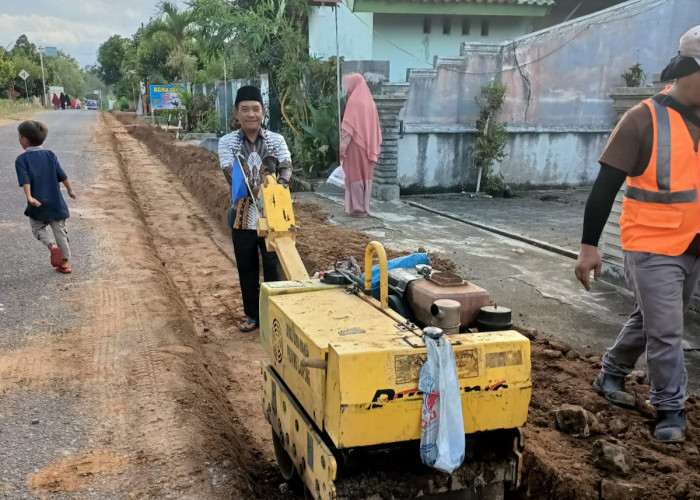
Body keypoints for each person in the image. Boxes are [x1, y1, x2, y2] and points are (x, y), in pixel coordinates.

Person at [574, 25, 700, 444]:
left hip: (692, 245)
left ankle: (611, 372)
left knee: (652, 320)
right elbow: (604, 187)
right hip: (649, 245)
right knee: (667, 330)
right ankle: (670, 410)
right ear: (686, 70)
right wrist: (588, 247)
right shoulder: (641, 119)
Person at [218, 86, 292, 332]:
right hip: (242, 215)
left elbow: (286, 167)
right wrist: (257, 189)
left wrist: (276, 187)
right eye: (245, 110)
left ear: (263, 112)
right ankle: (252, 315)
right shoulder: (226, 142)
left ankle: (273, 315)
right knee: (246, 266)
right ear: (235, 114)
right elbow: (231, 173)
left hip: (272, 216)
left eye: (255, 109)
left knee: (273, 265)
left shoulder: (276, 140)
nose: (251, 114)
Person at [15, 120, 77, 274]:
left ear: (24, 139)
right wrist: (70, 190)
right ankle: (65, 263)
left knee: (37, 227)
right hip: (56, 203)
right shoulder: (50, 155)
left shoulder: (22, 160)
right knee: (60, 231)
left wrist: (29, 197)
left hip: (37, 205)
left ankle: (51, 246)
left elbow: (25, 180)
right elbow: (62, 175)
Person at [339, 73, 382, 217]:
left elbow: (348, 128)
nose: (347, 88)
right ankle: (364, 207)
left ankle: (356, 208)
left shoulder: (354, 102)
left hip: (355, 146)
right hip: (369, 147)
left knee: (355, 176)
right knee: (366, 176)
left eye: (348, 84)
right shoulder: (371, 103)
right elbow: (376, 128)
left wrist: (343, 147)